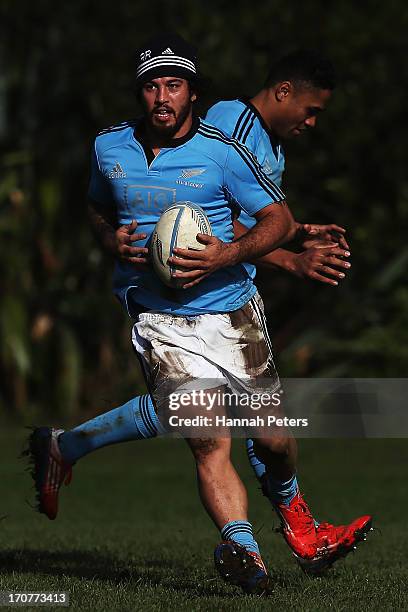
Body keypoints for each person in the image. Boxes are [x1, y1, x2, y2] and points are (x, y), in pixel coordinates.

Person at [25, 35, 371, 593]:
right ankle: (246, 555)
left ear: (191, 93)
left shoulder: (220, 150)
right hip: (159, 316)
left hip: (232, 311)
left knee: (275, 439)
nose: (161, 97)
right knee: (207, 435)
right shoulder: (108, 147)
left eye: (173, 85)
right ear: (140, 93)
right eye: (151, 86)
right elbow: (95, 205)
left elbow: (271, 218)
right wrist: (111, 240)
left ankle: (65, 446)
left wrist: (233, 254)